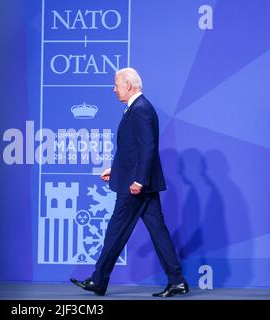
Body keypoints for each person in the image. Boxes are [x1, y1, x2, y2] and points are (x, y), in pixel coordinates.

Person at [70, 67, 188, 298]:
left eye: (116, 85)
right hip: (137, 181)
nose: (113, 89)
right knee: (157, 230)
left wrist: (139, 181)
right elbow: (132, 150)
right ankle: (177, 280)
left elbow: (148, 148)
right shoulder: (135, 108)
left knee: (116, 230)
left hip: (136, 186)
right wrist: (115, 171)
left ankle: (98, 279)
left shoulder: (140, 109)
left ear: (129, 85)